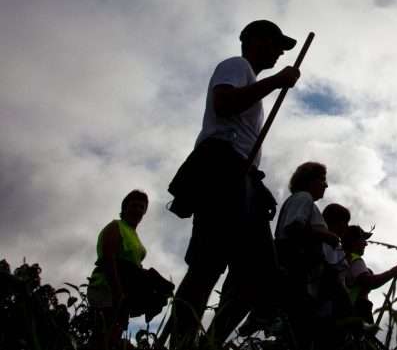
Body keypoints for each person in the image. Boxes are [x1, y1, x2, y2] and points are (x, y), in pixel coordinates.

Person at [165, 20, 301, 348]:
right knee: (212, 262)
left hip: (239, 173)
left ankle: (212, 338)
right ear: (254, 40)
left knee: (247, 267)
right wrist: (276, 81)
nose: (279, 53)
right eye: (275, 44)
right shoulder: (236, 66)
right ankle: (182, 338)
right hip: (222, 166)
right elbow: (224, 104)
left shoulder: (249, 77)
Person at [87, 190, 173, 349]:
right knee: (104, 333)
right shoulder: (116, 226)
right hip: (107, 286)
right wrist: (117, 291)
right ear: (125, 207)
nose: (138, 210)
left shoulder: (133, 234)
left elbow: (134, 265)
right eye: (134, 205)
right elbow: (108, 259)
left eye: (142, 207)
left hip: (126, 286)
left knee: (115, 333)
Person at [274, 162, 339, 349]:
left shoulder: (303, 200)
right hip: (296, 272)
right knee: (298, 329)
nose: (326, 185)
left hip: (302, 274)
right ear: (310, 180)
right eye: (323, 180)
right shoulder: (303, 198)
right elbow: (294, 227)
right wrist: (327, 235)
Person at [343, 225, 397, 324]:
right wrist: (392, 272)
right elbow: (369, 282)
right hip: (356, 311)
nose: (366, 244)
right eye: (363, 239)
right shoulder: (355, 260)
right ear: (354, 241)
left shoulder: (342, 259)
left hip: (347, 310)